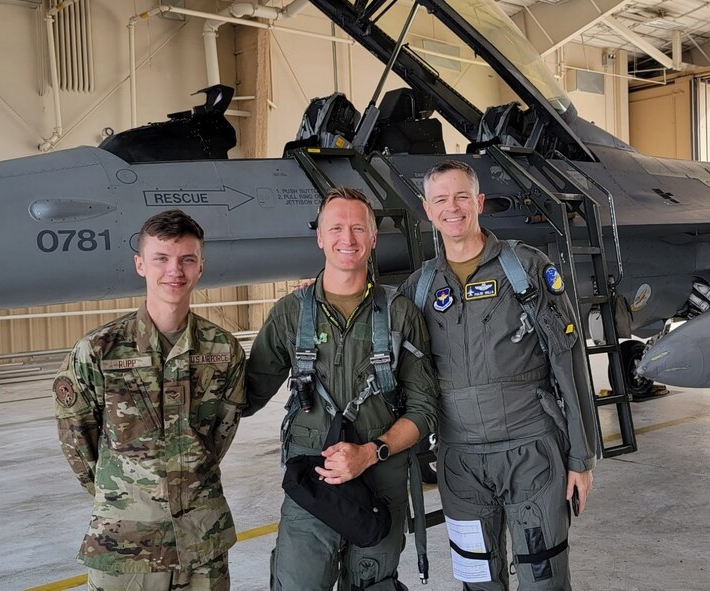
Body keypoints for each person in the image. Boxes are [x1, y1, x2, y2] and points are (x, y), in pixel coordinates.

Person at [399, 160, 599, 590]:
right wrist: (315, 291)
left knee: (544, 579)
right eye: (440, 200)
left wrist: (581, 459)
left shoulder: (526, 270)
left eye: (461, 197)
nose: (452, 208)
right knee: (478, 582)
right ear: (427, 210)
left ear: (479, 202)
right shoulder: (418, 289)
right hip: (460, 464)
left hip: (532, 455)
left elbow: (569, 364)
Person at [245, 187, 437, 591]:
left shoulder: (400, 313)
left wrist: (371, 452)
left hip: (381, 478)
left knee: (374, 584)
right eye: (336, 228)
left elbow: (424, 408)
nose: (346, 239)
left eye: (357, 228)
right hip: (311, 481)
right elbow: (244, 395)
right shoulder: (290, 314)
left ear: (372, 237)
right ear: (319, 237)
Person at [53, 209, 246, 591]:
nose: (175, 270)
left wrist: (185, 478)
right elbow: (78, 441)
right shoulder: (98, 351)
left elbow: (218, 437)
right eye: (161, 258)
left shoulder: (223, 350)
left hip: (201, 544)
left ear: (201, 267)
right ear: (140, 264)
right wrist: (126, 490)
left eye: (186, 259)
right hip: (124, 546)